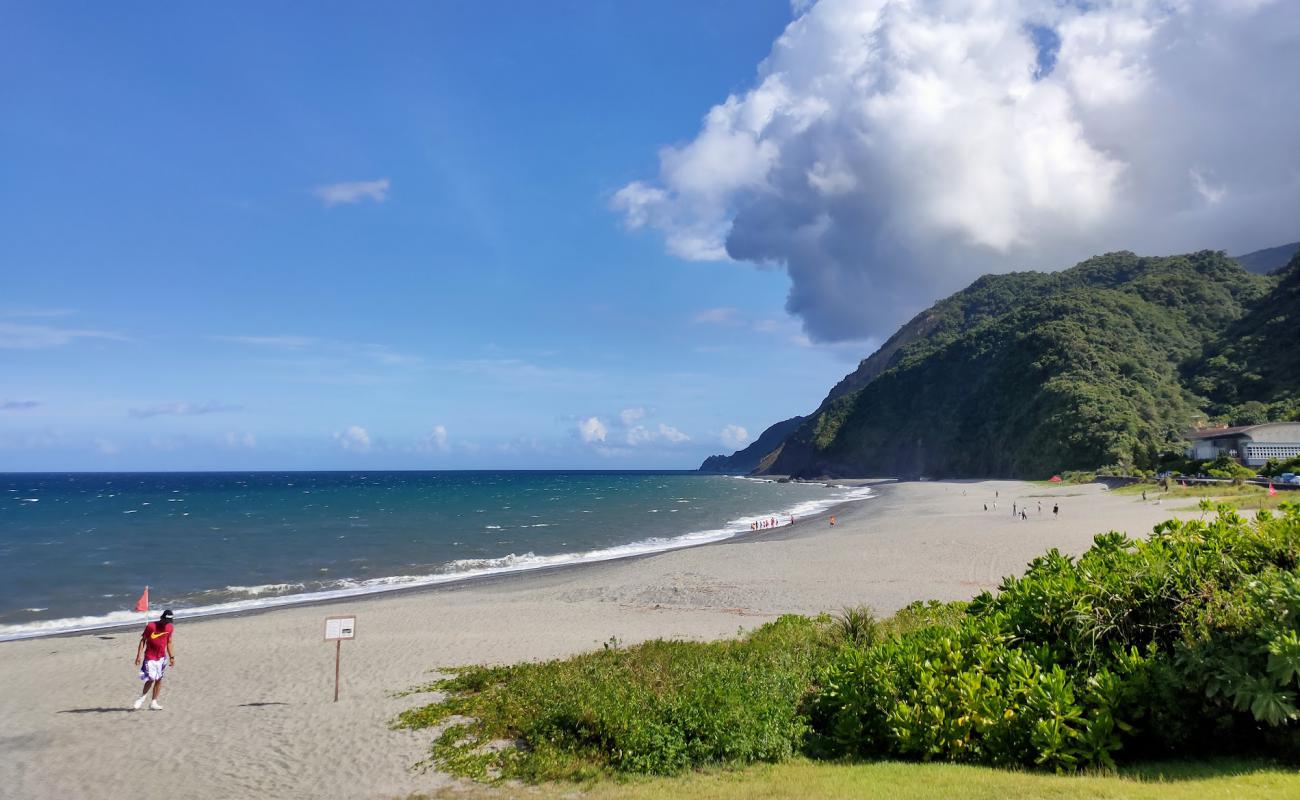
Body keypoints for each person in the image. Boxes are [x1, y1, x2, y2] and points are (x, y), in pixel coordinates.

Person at [133, 609, 175, 711]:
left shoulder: (170, 627)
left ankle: (153, 702)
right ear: (162, 618)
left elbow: (169, 642)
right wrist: (139, 655)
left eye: (169, 622)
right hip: (150, 657)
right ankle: (142, 698)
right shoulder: (151, 626)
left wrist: (172, 657)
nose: (167, 623)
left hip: (161, 658)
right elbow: (143, 641)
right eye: (166, 621)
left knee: (159, 679)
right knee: (151, 679)